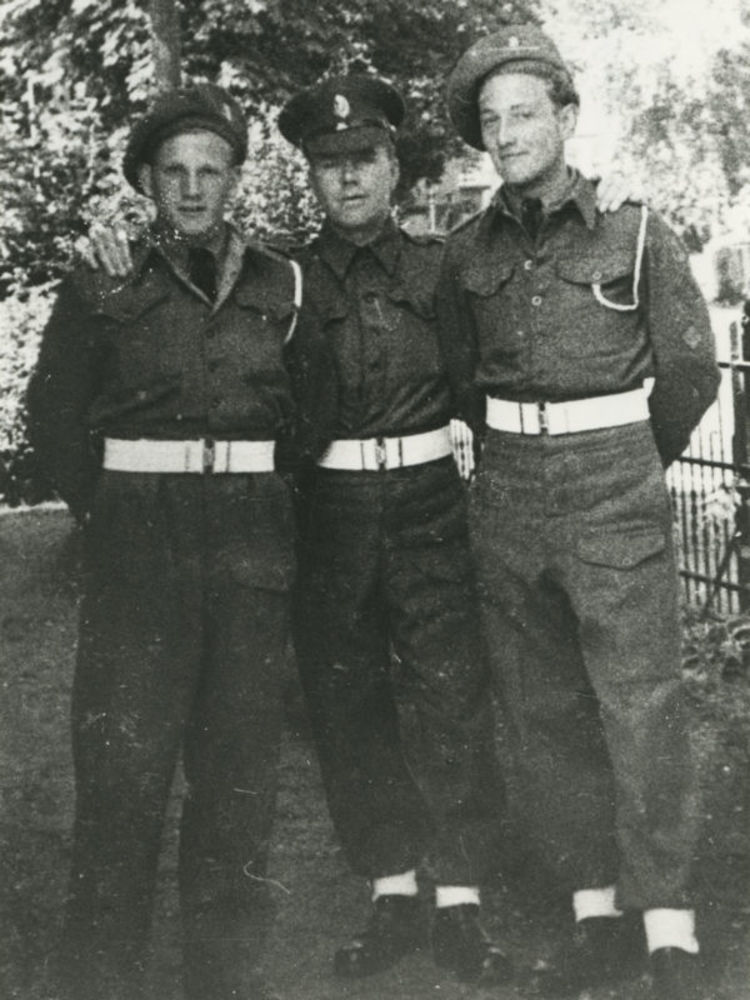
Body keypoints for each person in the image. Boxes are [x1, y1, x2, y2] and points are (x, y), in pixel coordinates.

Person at [438, 24, 720, 1000]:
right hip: (509, 489)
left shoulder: (636, 233)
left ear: (565, 117)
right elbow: (461, 380)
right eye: (491, 121)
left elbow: (690, 370)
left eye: (525, 114)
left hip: (614, 484)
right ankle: (594, 913)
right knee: (541, 709)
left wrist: (632, 465)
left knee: (642, 707)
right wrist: (519, 455)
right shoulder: (464, 254)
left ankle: (669, 925)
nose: (508, 134)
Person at [27, 83, 301, 1000]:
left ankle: (225, 979)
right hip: (139, 543)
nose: (191, 188)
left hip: (249, 546)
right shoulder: (104, 275)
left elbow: (304, 415)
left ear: (234, 181)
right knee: (123, 776)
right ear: (147, 181)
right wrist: (111, 512)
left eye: (209, 171)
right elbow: (53, 413)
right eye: (173, 171)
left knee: (238, 776)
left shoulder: (279, 283)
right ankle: (100, 978)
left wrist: (266, 503)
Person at [277, 75, 513, 986]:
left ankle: (461, 901)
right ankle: (391, 890)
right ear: (310, 175)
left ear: (393, 166)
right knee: (348, 700)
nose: (348, 178)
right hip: (331, 511)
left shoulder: (439, 267)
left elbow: (478, 385)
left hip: (428, 502)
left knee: (451, 694)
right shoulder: (285, 279)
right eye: (328, 163)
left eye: (364, 159)